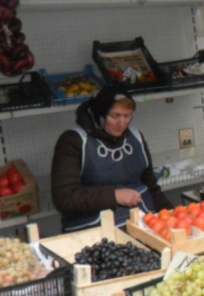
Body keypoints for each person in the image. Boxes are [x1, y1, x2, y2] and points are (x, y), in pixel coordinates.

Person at [51, 85, 173, 232]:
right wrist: (114, 196)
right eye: (115, 116)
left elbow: (151, 186)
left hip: (143, 224)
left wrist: (173, 215)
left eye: (127, 116)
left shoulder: (135, 137)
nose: (122, 123)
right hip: (94, 231)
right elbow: (65, 198)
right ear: (100, 114)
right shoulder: (73, 141)